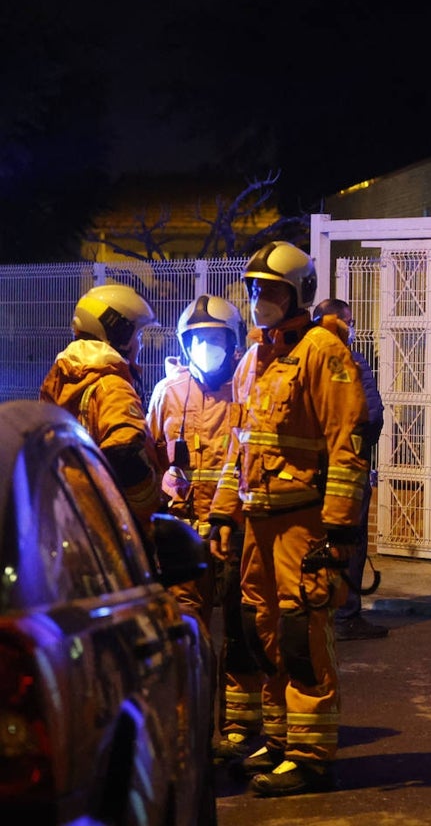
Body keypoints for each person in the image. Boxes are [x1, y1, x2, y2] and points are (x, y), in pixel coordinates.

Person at [208, 241, 371, 797]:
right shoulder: (262, 354)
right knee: (263, 631)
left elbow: (346, 445)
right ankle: (280, 740)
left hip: (303, 523)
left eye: (270, 290)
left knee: (301, 633)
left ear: (298, 292)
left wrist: (341, 531)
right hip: (258, 521)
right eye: (254, 288)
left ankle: (311, 756)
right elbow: (243, 444)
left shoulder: (323, 350)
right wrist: (223, 514)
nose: (258, 299)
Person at [146, 294, 262, 762]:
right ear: (183, 343)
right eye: (197, 340)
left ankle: (240, 723)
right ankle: (193, 726)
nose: (206, 347)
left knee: (242, 628)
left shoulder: (248, 390)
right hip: (182, 533)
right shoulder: (167, 394)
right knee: (188, 629)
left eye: (215, 339)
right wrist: (162, 480)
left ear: (233, 343)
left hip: (235, 533)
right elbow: (149, 458)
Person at [40, 283, 162, 529]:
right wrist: (151, 507)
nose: (141, 345)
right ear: (120, 334)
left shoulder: (60, 381)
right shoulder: (111, 386)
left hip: (65, 513)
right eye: (137, 335)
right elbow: (124, 451)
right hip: (111, 523)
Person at [313, 298, 388, 642]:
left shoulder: (297, 358)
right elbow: (369, 416)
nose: (352, 328)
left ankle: (315, 610)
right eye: (350, 321)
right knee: (349, 541)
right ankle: (345, 614)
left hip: (305, 474)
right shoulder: (351, 361)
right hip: (347, 471)